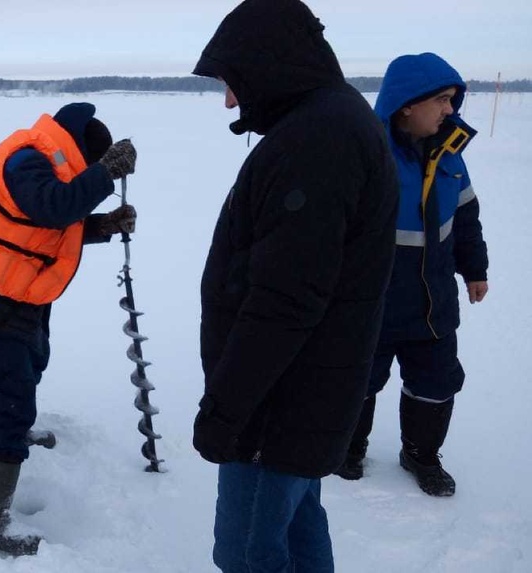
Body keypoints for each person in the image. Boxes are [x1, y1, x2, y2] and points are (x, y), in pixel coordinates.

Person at [189, 0, 398, 570]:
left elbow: (284, 302)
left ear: (266, 66)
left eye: (232, 83)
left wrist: (226, 411)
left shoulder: (317, 142)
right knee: (296, 530)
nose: (230, 101)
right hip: (302, 396)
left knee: (249, 553)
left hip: (276, 406)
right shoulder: (327, 123)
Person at [0, 102, 137, 556]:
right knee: (8, 398)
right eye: (89, 166)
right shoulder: (28, 159)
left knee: (30, 366)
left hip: (19, 292)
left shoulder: (47, 162)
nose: (88, 175)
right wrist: (105, 174)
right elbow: (51, 208)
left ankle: (15, 432)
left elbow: (41, 228)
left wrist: (103, 225)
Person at [334, 53, 488, 497]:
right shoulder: (368, 155)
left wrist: (474, 268)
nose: (450, 110)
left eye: (453, 100)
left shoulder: (452, 156)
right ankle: (348, 447)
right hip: (372, 303)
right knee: (357, 381)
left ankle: (420, 454)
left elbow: (466, 218)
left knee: (436, 384)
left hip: (432, 303)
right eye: (442, 99)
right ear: (406, 103)